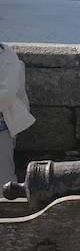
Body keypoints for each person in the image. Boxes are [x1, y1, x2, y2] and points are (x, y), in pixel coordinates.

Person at [0, 41, 35, 189]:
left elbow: (6, 95)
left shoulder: (6, 55)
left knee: (3, 176)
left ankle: (8, 209)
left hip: (2, 126)